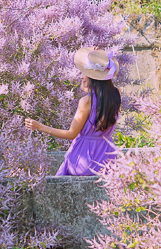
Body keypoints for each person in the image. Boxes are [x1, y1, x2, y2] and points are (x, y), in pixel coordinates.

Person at [24, 47, 121, 176]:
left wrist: (39, 126)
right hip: (108, 161)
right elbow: (100, 91)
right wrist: (97, 57)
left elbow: (71, 134)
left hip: (84, 162)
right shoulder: (117, 94)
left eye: (83, 73)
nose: (81, 76)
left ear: (93, 77)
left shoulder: (86, 102)